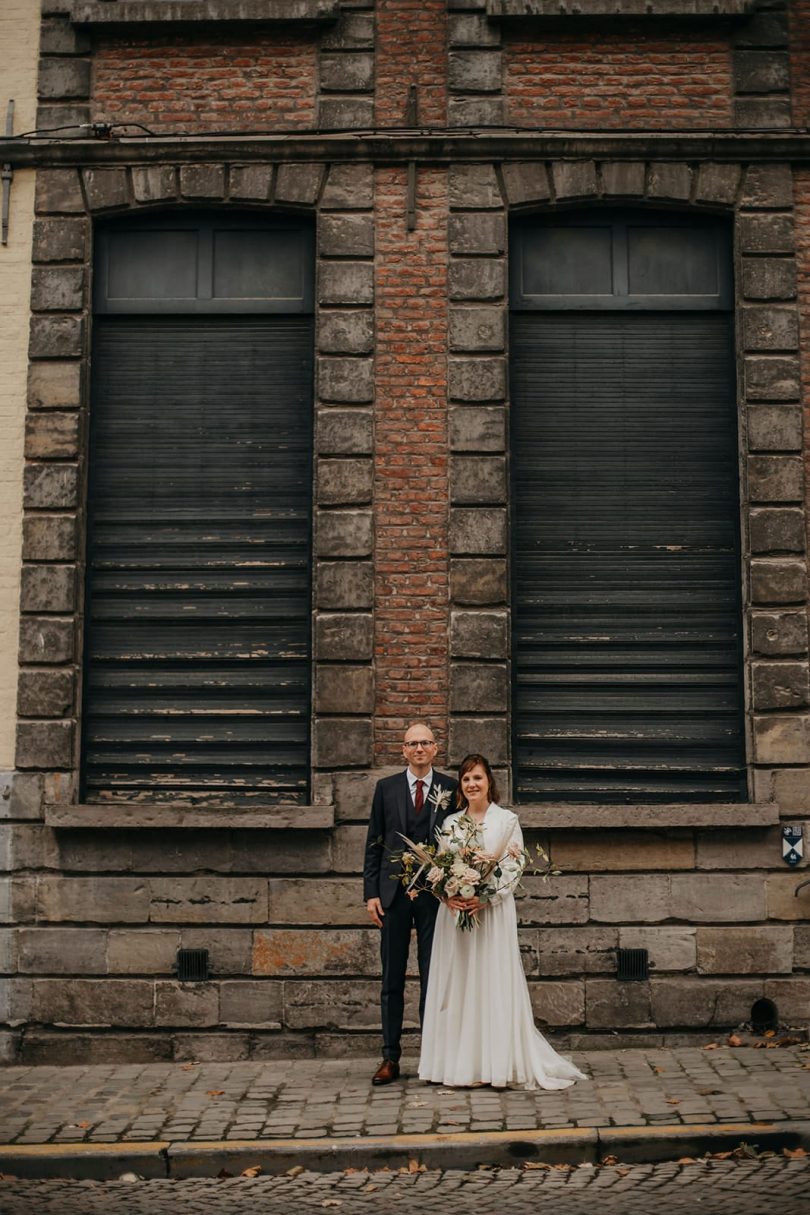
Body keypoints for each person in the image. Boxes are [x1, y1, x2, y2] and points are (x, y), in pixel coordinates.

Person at [419, 753, 586, 1090]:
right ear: (461, 787)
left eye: (477, 778)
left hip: (491, 914)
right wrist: (448, 893)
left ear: (489, 782)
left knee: (490, 981)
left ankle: (495, 1063)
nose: (471, 784)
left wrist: (483, 898)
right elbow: (439, 867)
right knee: (461, 982)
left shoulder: (506, 821)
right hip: (456, 916)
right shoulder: (451, 824)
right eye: (466, 779)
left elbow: (513, 869)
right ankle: (460, 1064)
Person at [363, 722, 458, 1085]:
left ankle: (431, 1056)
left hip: (435, 897)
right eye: (411, 744)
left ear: (435, 749)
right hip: (393, 897)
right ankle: (390, 1056)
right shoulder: (385, 789)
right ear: (403, 751)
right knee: (392, 978)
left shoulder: (450, 788)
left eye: (425, 743)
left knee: (434, 976)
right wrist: (371, 893)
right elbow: (374, 842)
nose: (418, 749)